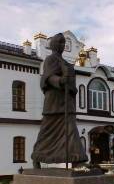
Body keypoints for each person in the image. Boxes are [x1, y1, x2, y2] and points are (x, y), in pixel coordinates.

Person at [31, 33, 88, 168]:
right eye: (60, 42)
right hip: (54, 103)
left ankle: (77, 159)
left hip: (66, 102)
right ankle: (37, 157)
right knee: (47, 132)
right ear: (54, 45)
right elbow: (47, 77)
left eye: (64, 43)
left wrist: (71, 86)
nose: (62, 45)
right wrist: (60, 81)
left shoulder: (66, 63)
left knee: (71, 129)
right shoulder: (50, 60)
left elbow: (72, 82)